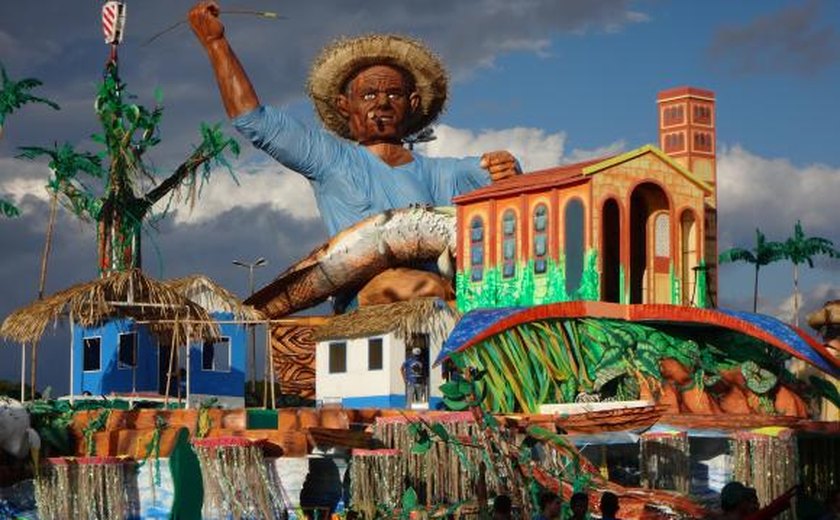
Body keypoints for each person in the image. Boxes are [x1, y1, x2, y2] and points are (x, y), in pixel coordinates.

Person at [188, 2, 521, 306]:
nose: (382, 103)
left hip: (442, 294)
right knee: (422, 286)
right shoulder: (329, 157)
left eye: (394, 93)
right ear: (345, 105)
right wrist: (216, 45)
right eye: (369, 94)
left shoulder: (441, 173)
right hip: (365, 299)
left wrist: (505, 163)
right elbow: (255, 121)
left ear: (413, 103)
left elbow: (498, 181)